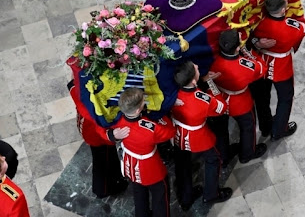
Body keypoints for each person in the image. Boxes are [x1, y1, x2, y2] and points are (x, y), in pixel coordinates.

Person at [171, 61, 233, 210]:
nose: (198, 67)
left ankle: (185, 198)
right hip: (198, 136)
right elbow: (221, 107)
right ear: (193, 80)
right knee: (213, 159)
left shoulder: (172, 94)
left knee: (182, 165)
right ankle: (211, 193)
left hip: (178, 133)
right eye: (196, 69)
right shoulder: (202, 99)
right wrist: (212, 85)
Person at [249, 0, 305, 140]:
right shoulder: (290, 27)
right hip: (281, 67)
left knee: (262, 98)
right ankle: (279, 130)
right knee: (285, 98)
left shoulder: (259, 22)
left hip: (262, 63)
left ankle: (266, 127)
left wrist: (256, 42)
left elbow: (248, 35)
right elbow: (304, 26)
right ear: (283, 10)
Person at [108, 88, 175, 217]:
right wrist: (160, 117)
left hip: (130, 164)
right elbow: (169, 132)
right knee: (160, 196)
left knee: (139, 193)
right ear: (139, 110)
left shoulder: (117, 121)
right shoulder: (150, 128)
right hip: (150, 169)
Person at [208, 29, 268, 165]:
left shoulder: (214, 61)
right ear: (237, 48)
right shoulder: (244, 66)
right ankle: (247, 153)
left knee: (221, 131)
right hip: (240, 101)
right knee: (248, 127)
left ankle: (224, 157)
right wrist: (246, 52)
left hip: (220, 97)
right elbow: (261, 68)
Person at [67, 80, 129, 198]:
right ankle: (102, 189)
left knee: (107, 157)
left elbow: (72, 83)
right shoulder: (96, 105)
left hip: (86, 127)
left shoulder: (81, 90)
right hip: (96, 134)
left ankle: (115, 176)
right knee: (101, 160)